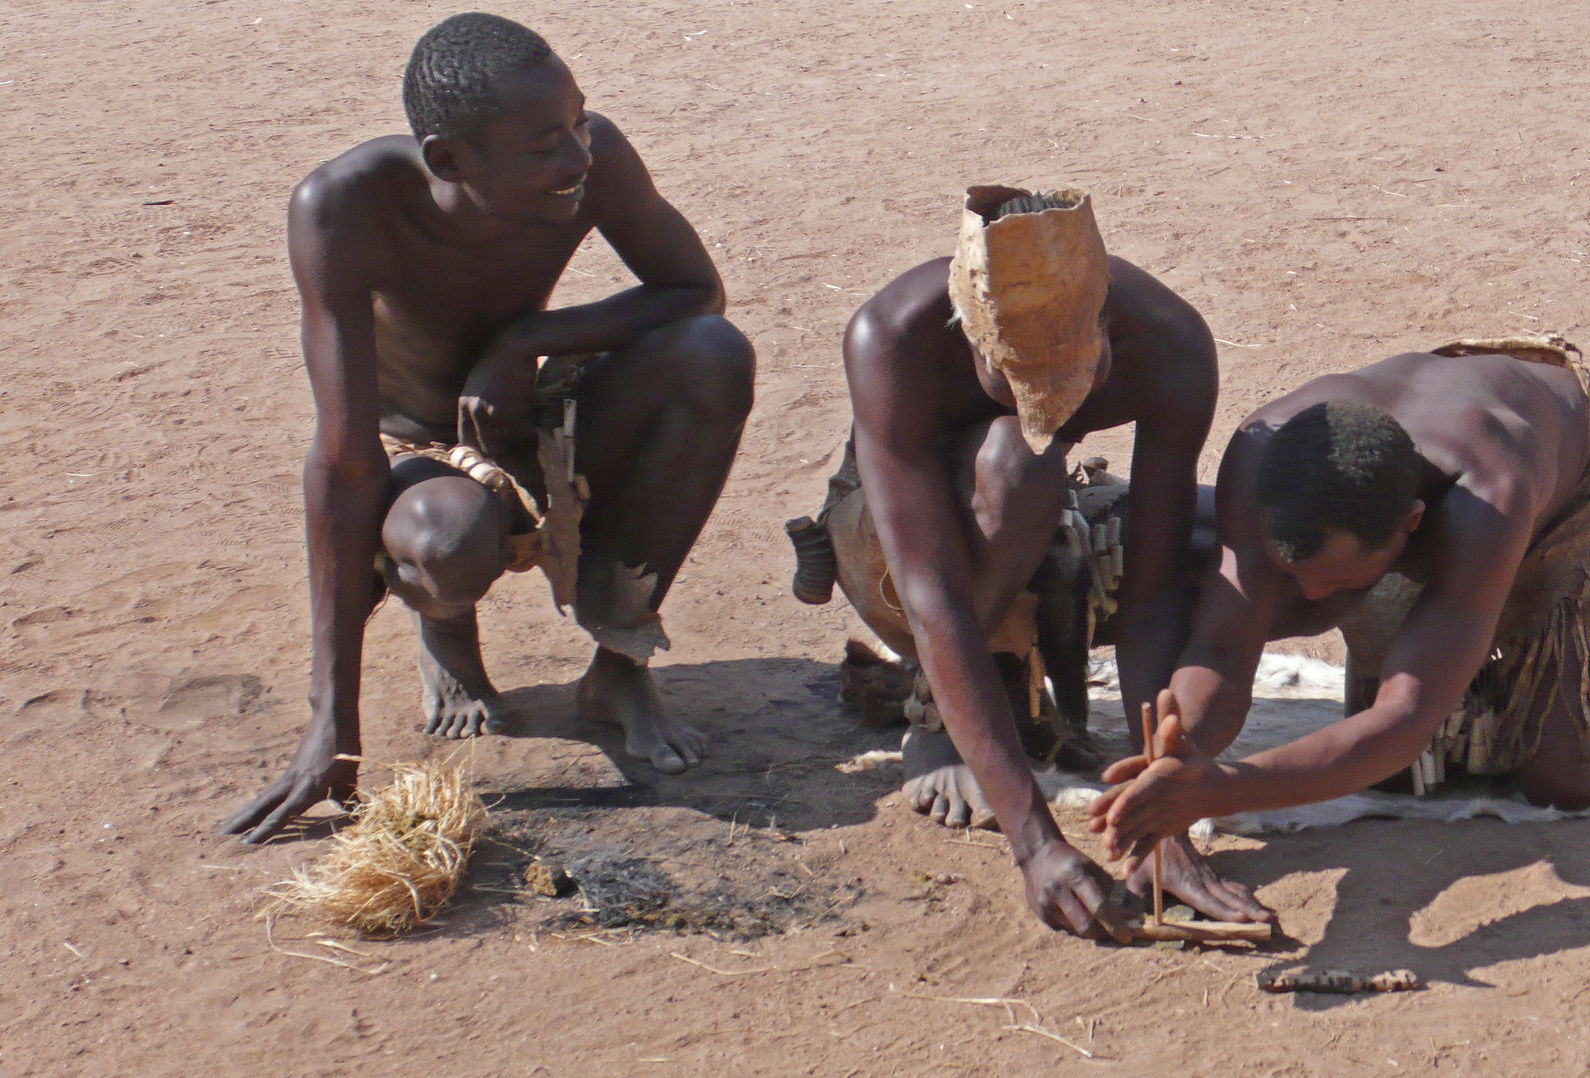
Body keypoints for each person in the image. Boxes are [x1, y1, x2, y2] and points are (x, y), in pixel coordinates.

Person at [221, 13, 754, 844]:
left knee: (713, 357)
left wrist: (527, 342)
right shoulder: (344, 210)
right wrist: (334, 720)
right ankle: (446, 628)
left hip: (527, 414)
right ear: (447, 160)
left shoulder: (591, 165)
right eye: (545, 142)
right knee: (444, 543)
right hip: (420, 456)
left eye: (579, 121)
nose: (579, 154)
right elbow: (344, 459)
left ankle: (619, 667)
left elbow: (695, 292)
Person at [1090, 335, 1590, 861]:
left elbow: (1403, 721)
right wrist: (1173, 757)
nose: (1311, 600)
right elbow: (1222, 646)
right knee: (1392, 747)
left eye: (1339, 578)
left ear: (1414, 528)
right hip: (1459, 436)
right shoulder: (1262, 453)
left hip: (1585, 468)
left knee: (1563, 776)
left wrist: (1220, 791)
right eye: (1298, 572)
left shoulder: (1488, 496)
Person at [784, 186, 1267, 939]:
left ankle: (1000, 684)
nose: (1052, 402)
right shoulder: (890, 340)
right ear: (969, 332)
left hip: (1051, 517)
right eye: (1018, 379)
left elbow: (1151, 589)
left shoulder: (1170, 345)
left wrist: (1156, 810)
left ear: (1108, 324)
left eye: (1076, 377)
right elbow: (929, 592)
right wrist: (1035, 843)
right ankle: (937, 707)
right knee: (1020, 458)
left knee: (1242, 543)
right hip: (897, 540)